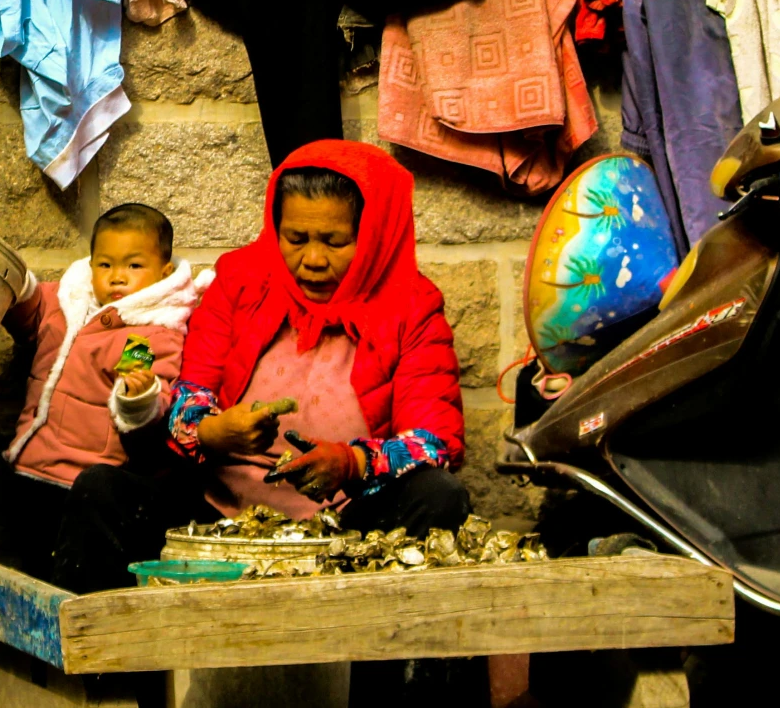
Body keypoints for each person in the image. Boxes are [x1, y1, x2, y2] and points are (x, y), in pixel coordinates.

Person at [53, 139, 471, 592]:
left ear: (374, 236)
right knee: (102, 490)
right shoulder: (240, 282)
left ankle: (379, 654)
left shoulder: (413, 307)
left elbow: (434, 442)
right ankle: (107, 659)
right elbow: (191, 394)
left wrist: (352, 463)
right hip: (216, 517)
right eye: (295, 239)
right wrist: (211, 432)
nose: (311, 259)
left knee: (440, 497)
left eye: (335, 242)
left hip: (347, 527)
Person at [0, 203, 213, 575]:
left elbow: (146, 410)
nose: (117, 278)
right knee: (28, 572)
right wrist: (8, 282)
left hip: (82, 480)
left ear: (163, 272)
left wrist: (138, 396)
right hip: (29, 467)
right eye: (105, 265)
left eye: (133, 266)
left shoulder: (146, 332)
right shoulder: (69, 301)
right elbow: (30, 312)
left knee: (68, 574)